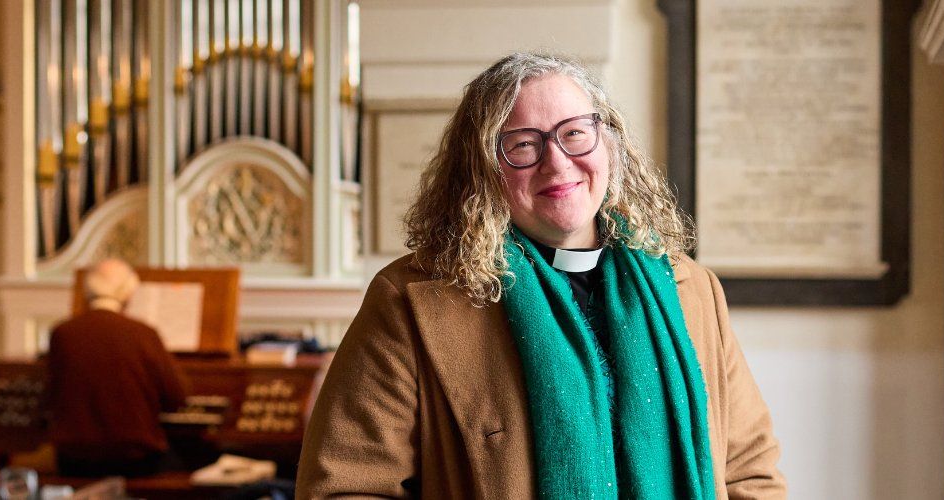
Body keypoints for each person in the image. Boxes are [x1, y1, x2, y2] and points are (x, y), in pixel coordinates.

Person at [295, 53, 786, 499]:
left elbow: (750, 471)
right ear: (481, 170)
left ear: (609, 143)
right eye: (522, 146)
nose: (557, 162)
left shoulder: (691, 290)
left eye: (574, 132)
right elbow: (346, 487)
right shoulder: (410, 302)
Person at [46, 259, 188, 478]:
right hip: (136, 462)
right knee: (197, 461)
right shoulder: (143, 334)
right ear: (128, 292)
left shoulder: (62, 333)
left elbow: (52, 395)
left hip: (74, 461)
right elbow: (177, 397)